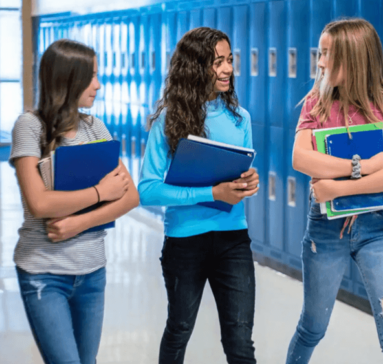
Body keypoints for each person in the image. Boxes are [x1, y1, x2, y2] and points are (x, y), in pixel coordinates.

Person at [287, 18, 383, 364]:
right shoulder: (316, 102)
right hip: (325, 230)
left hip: (376, 229)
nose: (319, 62)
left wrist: (335, 186)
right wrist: (365, 167)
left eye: (328, 54)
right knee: (312, 327)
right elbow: (301, 158)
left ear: (354, 57)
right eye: (320, 52)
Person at [9, 39, 140, 364]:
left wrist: (77, 222)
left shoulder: (96, 128)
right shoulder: (31, 126)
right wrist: (100, 193)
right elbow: (38, 203)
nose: (98, 84)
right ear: (68, 80)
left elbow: (131, 196)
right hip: (43, 272)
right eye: (91, 76)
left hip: (92, 271)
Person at [138, 27, 259, 364]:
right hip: (184, 243)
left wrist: (248, 182)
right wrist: (210, 192)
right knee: (179, 330)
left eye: (230, 60)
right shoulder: (169, 120)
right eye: (216, 61)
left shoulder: (240, 118)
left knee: (240, 342)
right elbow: (147, 190)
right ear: (195, 66)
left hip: (233, 239)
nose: (227, 69)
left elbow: (240, 176)